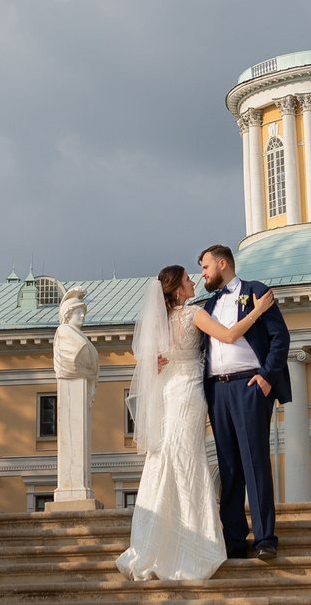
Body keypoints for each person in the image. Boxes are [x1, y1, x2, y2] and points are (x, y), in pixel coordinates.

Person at [115, 264, 277, 583]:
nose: (194, 282)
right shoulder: (193, 314)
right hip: (188, 392)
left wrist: (157, 363)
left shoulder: (159, 322)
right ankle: (193, 543)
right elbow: (228, 335)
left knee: (165, 457)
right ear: (178, 290)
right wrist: (257, 311)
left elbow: (152, 364)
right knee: (188, 458)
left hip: (169, 391)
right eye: (188, 280)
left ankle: (157, 540)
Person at [195, 243, 291, 561]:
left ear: (222, 264)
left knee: (255, 461)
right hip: (217, 390)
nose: (203, 274)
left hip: (250, 385)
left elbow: (280, 337)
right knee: (228, 465)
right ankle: (234, 538)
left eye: (205, 267)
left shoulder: (255, 291)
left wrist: (267, 377)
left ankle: (265, 538)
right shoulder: (208, 305)